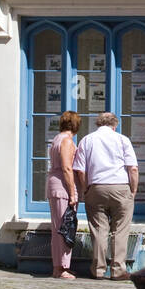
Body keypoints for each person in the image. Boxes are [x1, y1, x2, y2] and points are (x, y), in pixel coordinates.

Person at [73, 111, 138, 280]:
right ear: (114, 125)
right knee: (120, 230)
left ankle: (98, 270)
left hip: (97, 187)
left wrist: (86, 188)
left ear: (98, 124)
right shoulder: (123, 140)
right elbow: (133, 168)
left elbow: (80, 170)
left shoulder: (87, 140)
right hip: (120, 187)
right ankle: (118, 270)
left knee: (99, 230)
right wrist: (133, 190)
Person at [46, 111, 80, 280]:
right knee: (64, 227)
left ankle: (59, 266)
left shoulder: (57, 139)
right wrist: (73, 192)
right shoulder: (66, 141)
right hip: (62, 187)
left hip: (56, 184)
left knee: (59, 227)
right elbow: (67, 168)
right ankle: (61, 268)